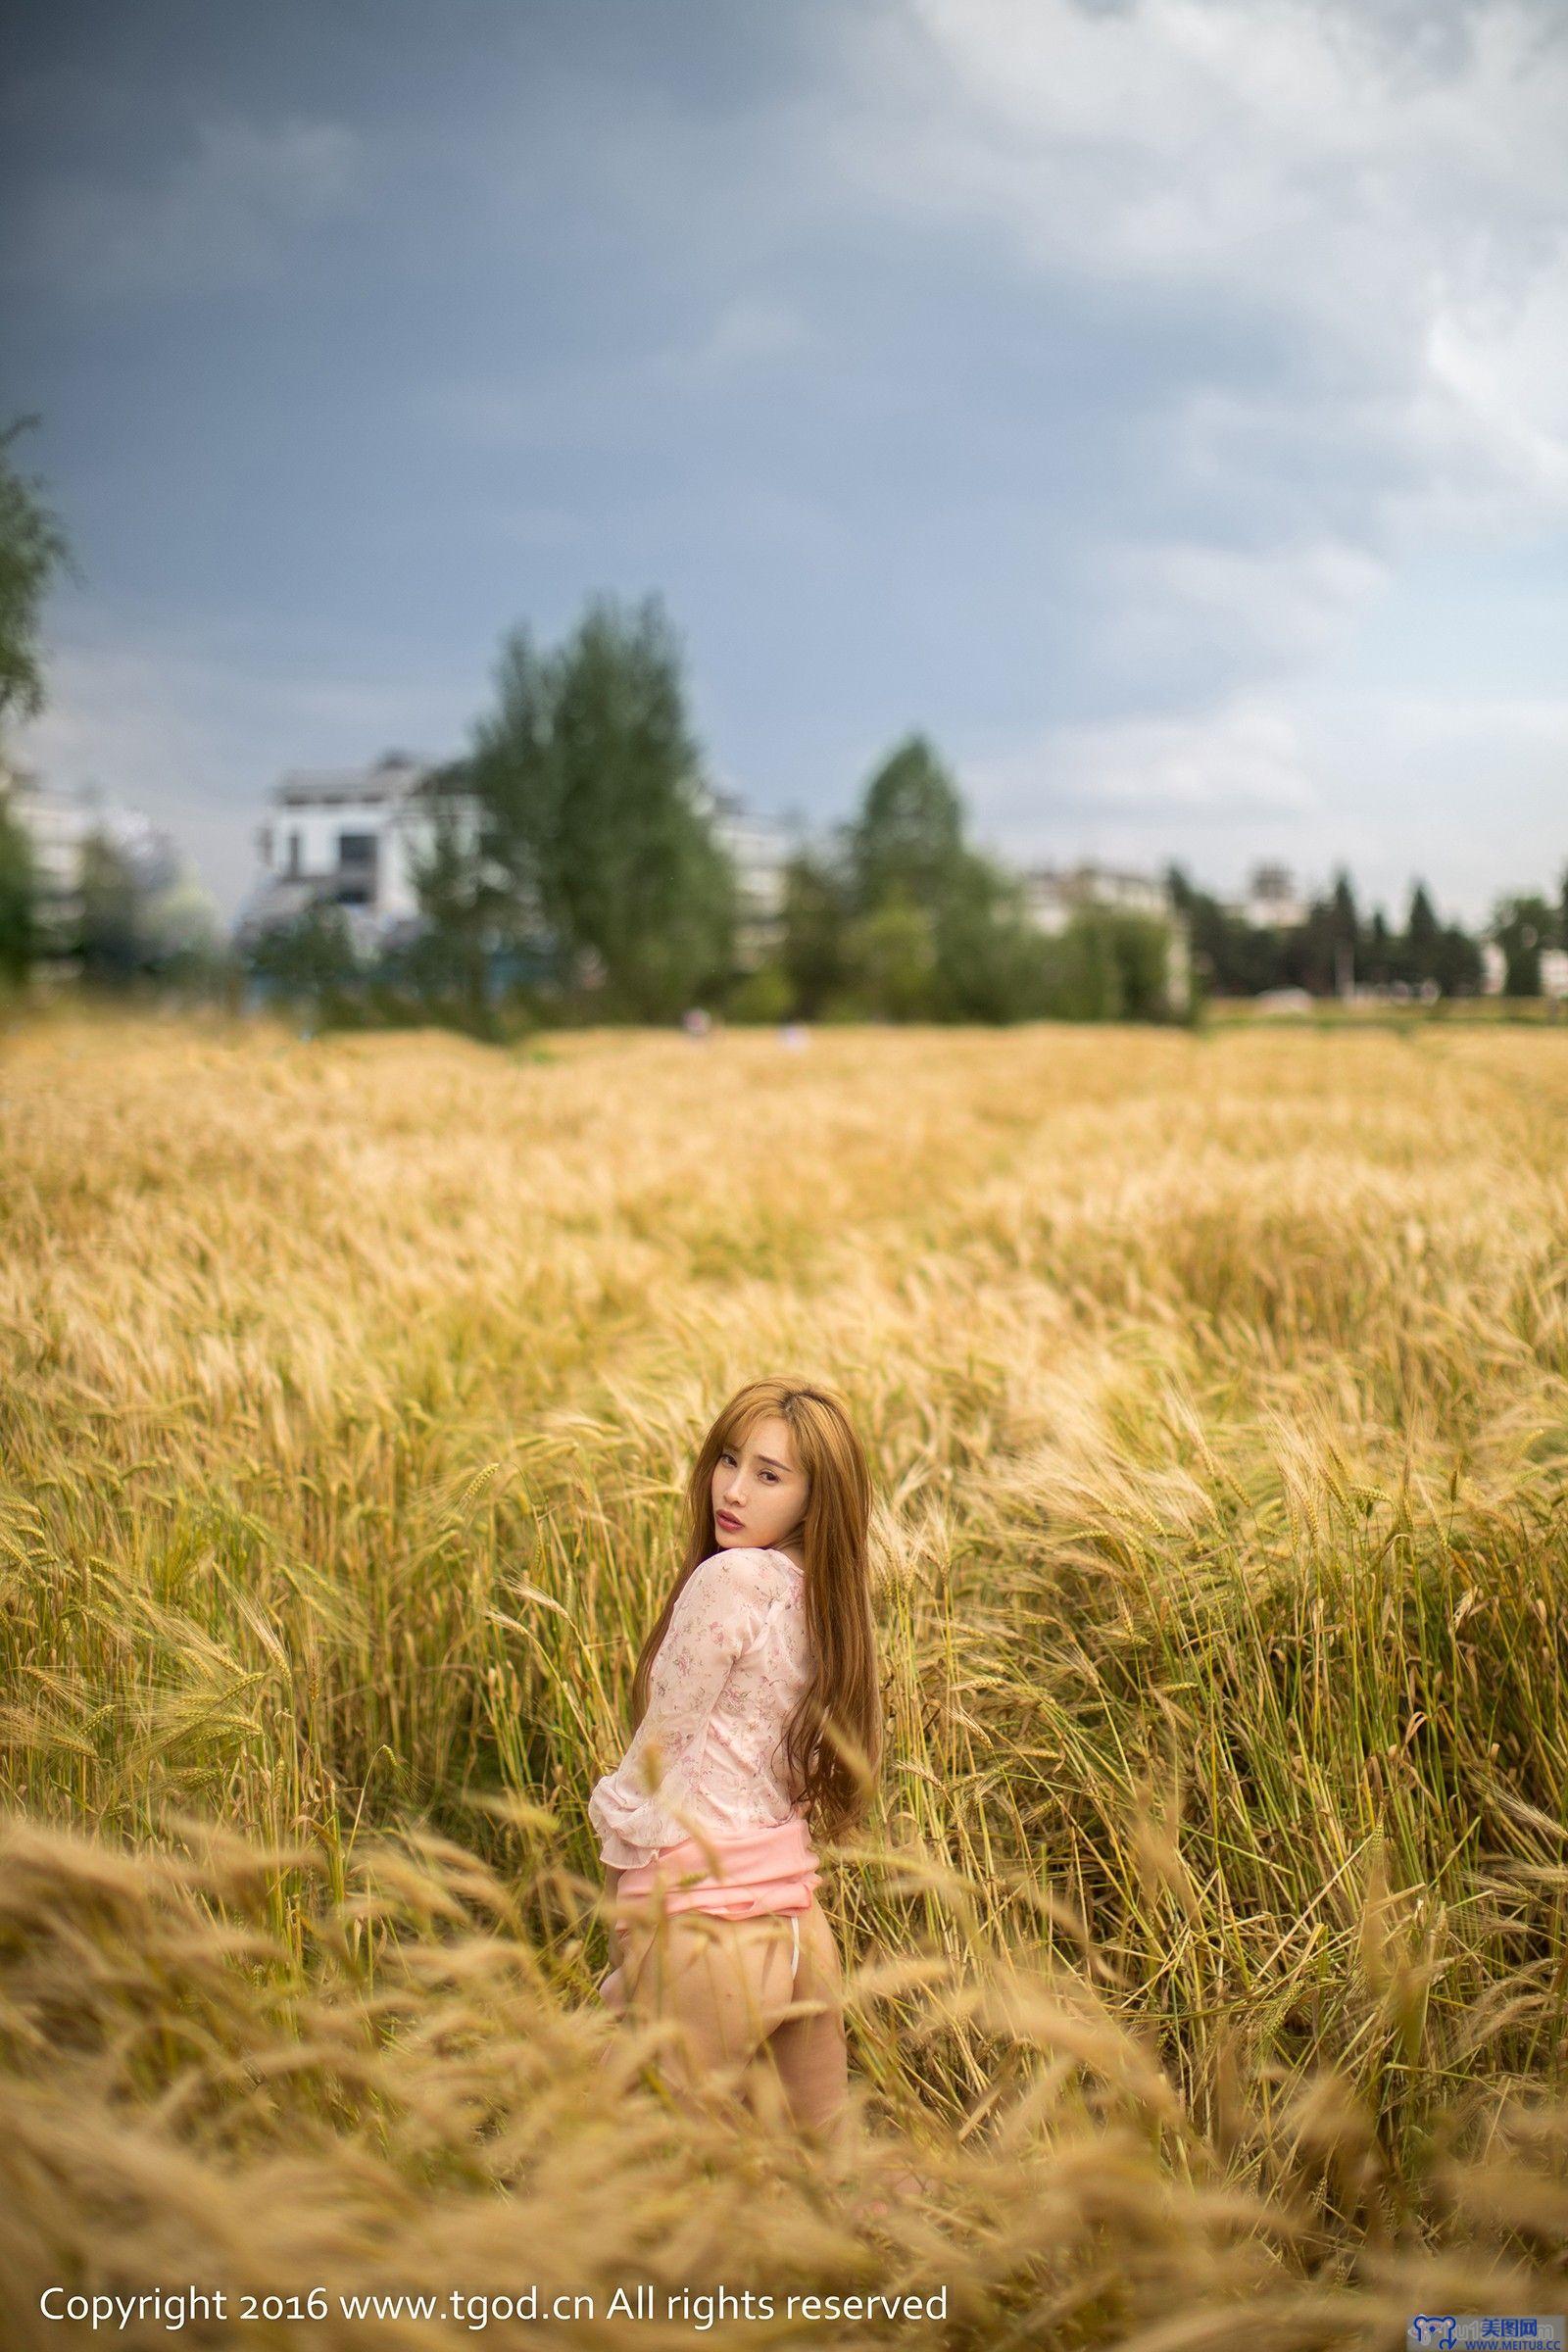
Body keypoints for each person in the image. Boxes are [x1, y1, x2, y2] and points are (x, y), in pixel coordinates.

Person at [589, 1378, 881, 2146]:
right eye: (728, 1460)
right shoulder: (824, 1599)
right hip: (795, 1922)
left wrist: (624, 1903)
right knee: (826, 2173)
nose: (733, 1491)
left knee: (623, 2176)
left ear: (816, 1501)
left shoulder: (732, 1579)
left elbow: (658, 1756)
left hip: (704, 1923)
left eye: (769, 1475)